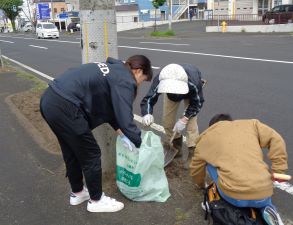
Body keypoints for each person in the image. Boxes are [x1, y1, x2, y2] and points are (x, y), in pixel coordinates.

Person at [40, 55, 153, 213]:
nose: (140, 84)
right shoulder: (125, 79)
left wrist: (122, 134)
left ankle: (78, 193)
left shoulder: (114, 71)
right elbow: (125, 117)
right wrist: (140, 143)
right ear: (138, 71)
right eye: (143, 79)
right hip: (66, 106)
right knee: (91, 154)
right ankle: (96, 200)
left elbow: (110, 112)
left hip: (50, 100)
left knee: (72, 151)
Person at [190, 113, 288, 225]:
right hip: (263, 193)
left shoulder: (205, 140)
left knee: (208, 162)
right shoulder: (252, 125)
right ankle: (268, 209)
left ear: (211, 127)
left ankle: (213, 200)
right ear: (232, 121)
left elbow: (196, 169)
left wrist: (201, 184)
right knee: (255, 166)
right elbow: (276, 139)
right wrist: (279, 170)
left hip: (234, 197)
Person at [140, 63, 205, 157]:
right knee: (167, 122)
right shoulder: (161, 79)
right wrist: (147, 113)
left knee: (191, 125)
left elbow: (197, 103)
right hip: (170, 96)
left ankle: (192, 153)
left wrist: (185, 118)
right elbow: (149, 98)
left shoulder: (193, 82)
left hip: (190, 93)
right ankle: (176, 149)